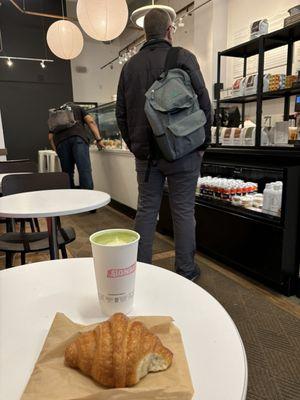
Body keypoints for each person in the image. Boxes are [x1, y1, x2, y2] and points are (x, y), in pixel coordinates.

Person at [116, 9, 211, 281]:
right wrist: (202, 143)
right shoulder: (183, 57)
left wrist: (135, 145)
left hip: (146, 157)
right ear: (170, 29)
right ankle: (185, 271)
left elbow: (120, 114)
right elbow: (204, 104)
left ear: (145, 33)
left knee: (146, 210)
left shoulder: (129, 67)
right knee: (183, 211)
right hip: (183, 150)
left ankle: (141, 271)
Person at [48, 103, 103, 190]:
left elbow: (50, 137)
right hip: (78, 138)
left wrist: (57, 151)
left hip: (60, 143)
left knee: (67, 173)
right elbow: (91, 122)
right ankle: (88, 198)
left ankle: (71, 199)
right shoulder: (78, 108)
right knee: (84, 170)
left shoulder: (56, 114)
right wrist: (99, 140)